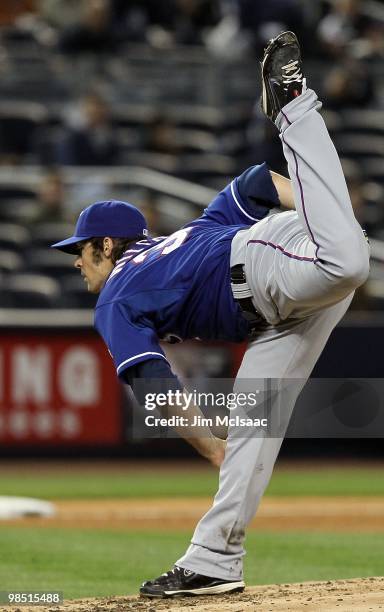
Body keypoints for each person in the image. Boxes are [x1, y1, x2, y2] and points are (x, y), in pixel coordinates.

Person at [52, 32, 370, 598]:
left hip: (266, 260)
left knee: (346, 261)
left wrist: (210, 448)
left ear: (106, 245)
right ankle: (215, 558)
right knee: (258, 421)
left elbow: (155, 388)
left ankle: (292, 105)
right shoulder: (183, 236)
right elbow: (252, 183)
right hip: (276, 313)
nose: (77, 263)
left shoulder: (117, 294)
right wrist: (318, 206)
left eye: (80, 250)